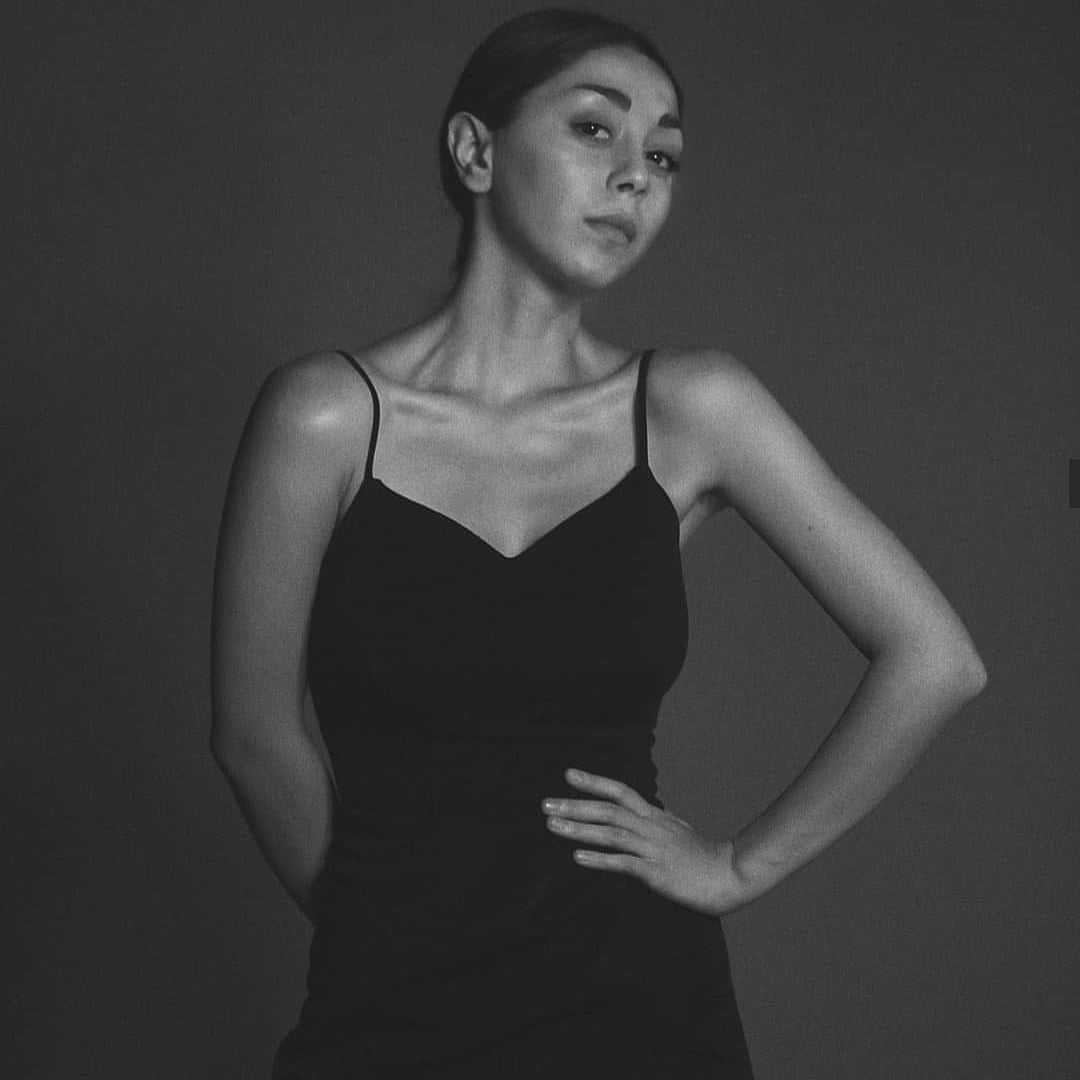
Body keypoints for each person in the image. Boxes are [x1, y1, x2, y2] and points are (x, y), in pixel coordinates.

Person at [209, 8, 988, 1077]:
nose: (635, 178)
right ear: (476, 151)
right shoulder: (325, 416)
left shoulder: (693, 407)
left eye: (663, 156)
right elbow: (254, 734)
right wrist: (374, 929)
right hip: (386, 1008)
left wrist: (739, 867)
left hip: (646, 1010)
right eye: (595, 129)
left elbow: (937, 659)